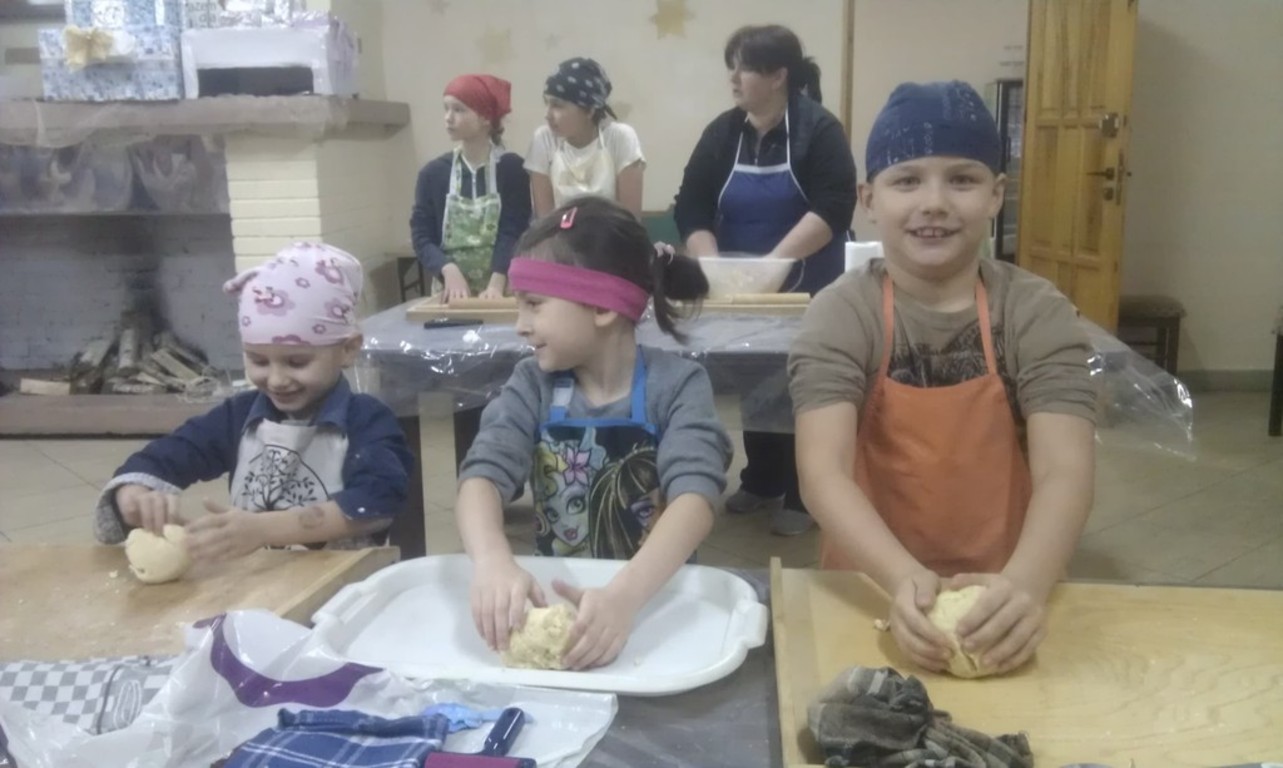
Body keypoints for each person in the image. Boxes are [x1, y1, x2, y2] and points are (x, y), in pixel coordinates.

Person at [789, 81, 1097, 677]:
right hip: (869, 584)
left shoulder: (1034, 312)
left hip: (1010, 588)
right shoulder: (842, 314)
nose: (934, 203)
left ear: (996, 195)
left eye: (962, 179)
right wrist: (902, 579)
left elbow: (1066, 471)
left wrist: (1025, 586)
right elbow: (823, 473)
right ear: (868, 198)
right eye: (907, 180)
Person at [455, 197, 732, 670]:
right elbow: (481, 476)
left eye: (533, 305)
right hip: (563, 602)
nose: (520, 326)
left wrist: (624, 598)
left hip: (653, 603)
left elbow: (696, 498)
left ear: (603, 306)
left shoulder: (678, 386)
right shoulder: (532, 385)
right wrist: (492, 561)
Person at [93, 243, 414, 558]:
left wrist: (264, 529)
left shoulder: (367, 421)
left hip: (347, 584)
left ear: (347, 349)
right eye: (259, 361)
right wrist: (133, 494)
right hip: (258, 579)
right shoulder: (238, 416)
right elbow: (166, 456)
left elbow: (378, 503)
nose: (276, 379)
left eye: (297, 362)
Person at [673, 24, 856, 536]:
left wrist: (775, 262)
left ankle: (804, 493)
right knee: (757, 379)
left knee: (803, 385)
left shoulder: (819, 130)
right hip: (742, 290)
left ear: (778, 76)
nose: (733, 79)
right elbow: (691, 205)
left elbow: (835, 205)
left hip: (810, 285)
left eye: (745, 68)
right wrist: (712, 265)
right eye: (732, 67)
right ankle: (763, 478)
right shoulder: (723, 133)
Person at [411, 74, 532, 303]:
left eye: (459, 110)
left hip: (502, 290)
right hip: (451, 294)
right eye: (446, 108)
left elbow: (514, 230)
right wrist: (447, 269)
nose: (448, 117)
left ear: (485, 118)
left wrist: (497, 281)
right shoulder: (433, 174)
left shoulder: (511, 169)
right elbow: (422, 236)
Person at [525, 57, 646, 220]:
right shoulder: (544, 140)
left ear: (589, 111)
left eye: (558, 105)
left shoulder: (620, 138)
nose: (548, 115)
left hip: (613, 234)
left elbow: (630, 222)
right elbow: (545, 223)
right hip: (558, 235)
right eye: (547, 104)